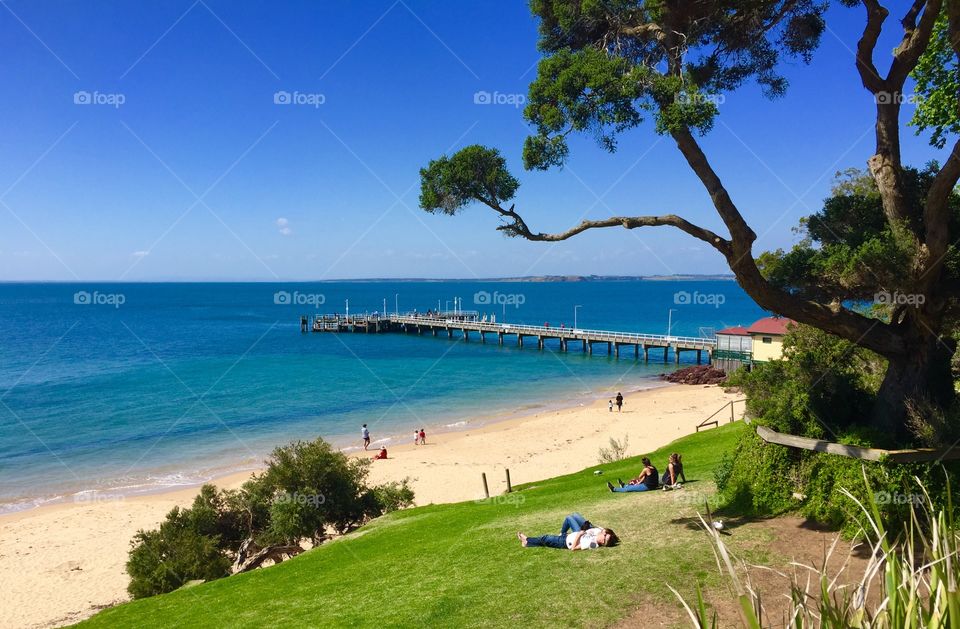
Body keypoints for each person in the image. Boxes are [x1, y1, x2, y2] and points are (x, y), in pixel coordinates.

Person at [517, 512, 618, 551]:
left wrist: (578, 534)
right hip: (569, 537)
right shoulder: (597, 536)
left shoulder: (593, 544)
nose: (603, 536)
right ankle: (528, 542)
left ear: (603, 543)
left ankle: (527, 542)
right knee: (546, 540)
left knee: (545, 538)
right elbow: (599, 530)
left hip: (566, 542)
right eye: (605, 535)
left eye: (604, 539)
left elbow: (573, 548)